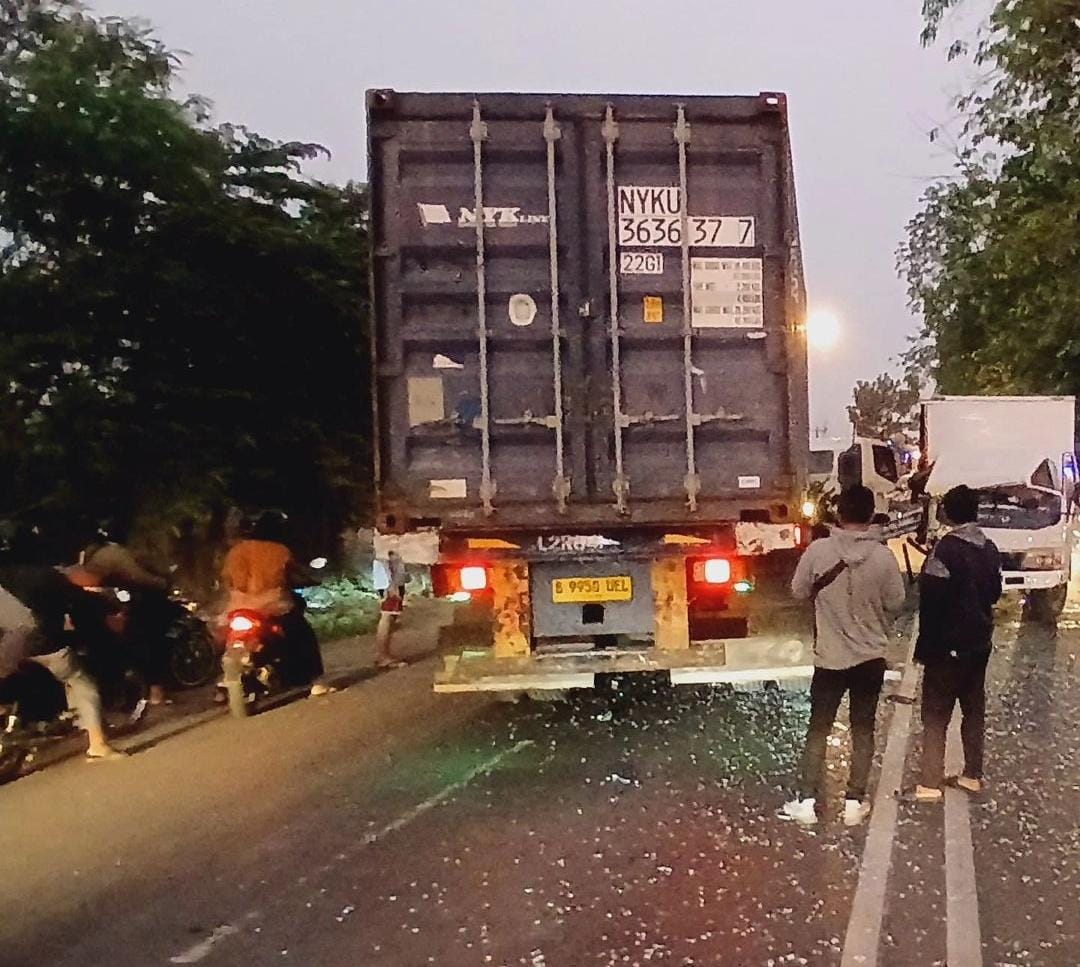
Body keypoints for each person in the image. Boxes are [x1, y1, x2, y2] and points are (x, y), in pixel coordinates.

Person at [782, 484, 907, 826]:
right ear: (870, 516)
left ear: (839, 514)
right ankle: (854, 801)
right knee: (863, 728)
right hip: (870, 658)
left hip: (829, 659)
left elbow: (797, 591)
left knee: (818, 728)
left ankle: (807, 800)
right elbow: (897, 603)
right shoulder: (883, 557)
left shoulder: (818, 552)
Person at [914, 484, 1001, 801]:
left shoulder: (946, 551)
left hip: (947, 647)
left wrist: (925, 648)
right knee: (973, 709)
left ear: (947, 513)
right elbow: (994, 593)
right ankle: (972, 775)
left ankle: (929, 782)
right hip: (979, 642)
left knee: (936, 713)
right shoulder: (988, 548)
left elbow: (931, 602)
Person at [0, 558, 124, 761]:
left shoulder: (7, 578)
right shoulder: (45, 576)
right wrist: (109, 609)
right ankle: (98, 745)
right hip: (43, 644)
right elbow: (79, 599)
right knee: (81, 681)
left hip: (8, 646)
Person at [221, 511, 328, 694]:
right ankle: (316, 681)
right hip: (274, 606)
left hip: (239, 606)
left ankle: (222, 684)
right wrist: (311, 579)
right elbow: (296, 574)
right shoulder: (280, 551)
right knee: (303, 634)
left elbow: (226, 578)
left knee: (223, 636)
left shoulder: (236, 551)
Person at [80, 520, 172, 705]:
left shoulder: (89, 554)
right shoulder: (115, 553)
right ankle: (156, 691)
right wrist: (161, 583)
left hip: (100, 606)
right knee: (152, 639)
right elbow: (137, 576)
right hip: (122, 604)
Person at [373, 550, 407, 669]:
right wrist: (391, 583)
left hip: (391, 582)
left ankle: (383, 654)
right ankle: (383, 656)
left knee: (390, 616)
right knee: (388, 616)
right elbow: (383, 558)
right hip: (389, 583)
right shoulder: (385, 538)